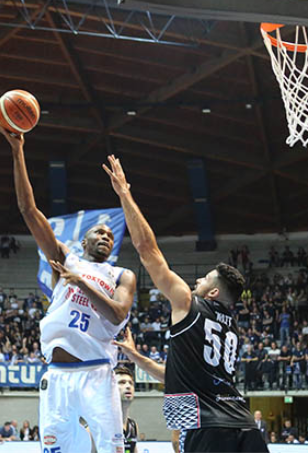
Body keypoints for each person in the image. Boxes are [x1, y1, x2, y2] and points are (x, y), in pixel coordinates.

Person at [104, 155, 262, 453]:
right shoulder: (231, 327)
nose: (197, 282)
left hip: (209, 427)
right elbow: (179, 376)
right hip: (244, 424)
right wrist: (136, 357)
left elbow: (147, 250)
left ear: (213, 293)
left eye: (204, 279)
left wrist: (124, 194)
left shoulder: (189, 304)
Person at [0, 119, 137, 453]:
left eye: (110, 235)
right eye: (99, 232)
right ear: (85, 238)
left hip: (98, 375)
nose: (105, 236)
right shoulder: (65, 258)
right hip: (57, 375)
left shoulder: (122, 275)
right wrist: (18, 151)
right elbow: (28, 210)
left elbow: (118, 315)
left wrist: (83, 284)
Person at [115, 366, 139, 453]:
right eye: (122, 382)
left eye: (131, 383)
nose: (128, 386)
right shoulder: (96, 426)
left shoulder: (133, 425)